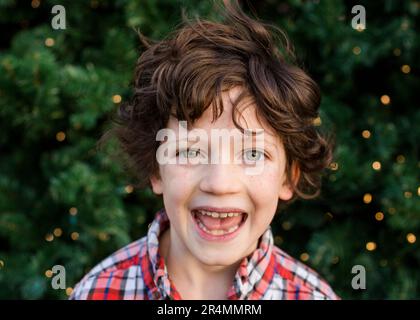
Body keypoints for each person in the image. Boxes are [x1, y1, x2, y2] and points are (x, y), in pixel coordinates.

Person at [70, 0, 338, 300]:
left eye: (253, 154)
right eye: (190, 152)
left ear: (288, 177)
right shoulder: (97, 292)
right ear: (156, 168)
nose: (220, 184)